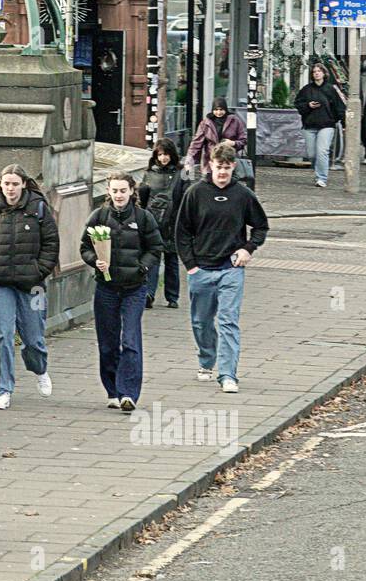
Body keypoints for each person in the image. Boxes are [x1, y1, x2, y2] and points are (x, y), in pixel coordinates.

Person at [174, 140, 270, 394]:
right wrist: (191, 265)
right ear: (210, 165)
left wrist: (247, 249)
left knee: (228, 321)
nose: (223, 172)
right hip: (201, 269)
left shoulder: (243, 195)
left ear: (233, 167)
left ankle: (228, 374)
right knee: (201, 322)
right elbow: (181, 231)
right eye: (219, 167)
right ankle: (207, 360)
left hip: (231, 268)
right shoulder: (195, 193)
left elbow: (261, 226)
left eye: (227, 167)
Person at [0, 163, 59, 409]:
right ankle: (3, 389)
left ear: (23, 184)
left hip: (32, 286)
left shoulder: (39, 209)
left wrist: (38, 270)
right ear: (0, 185)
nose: (10, 188)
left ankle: (40, 369)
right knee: (2, 334)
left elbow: (51, 244)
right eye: (6, 183)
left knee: (33, 338)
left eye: (14, 184)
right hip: (0, 283)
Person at [81, 173, 163, 411]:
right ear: (109, 192)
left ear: (131, 192)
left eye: (123, 191)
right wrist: (94, 260)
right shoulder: (99, 216)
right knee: (107, 343)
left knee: (130, 340)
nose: (119, 195)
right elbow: (84, 246)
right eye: (115, 191)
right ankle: (112, 390)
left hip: (134, 289)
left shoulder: (143, 218)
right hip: (106, 288)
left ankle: (129, 393)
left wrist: (142, 267)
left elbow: (155, 247)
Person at [137, 139, 186, 308]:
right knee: (153, 259)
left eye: (166, 154)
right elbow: (142, 200)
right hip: (154, 222)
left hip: (173, 222)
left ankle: (172, 297)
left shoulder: (181, 173)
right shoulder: (149, 173)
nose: (164, 158)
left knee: (172, 260)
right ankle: (149, 294)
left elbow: (186, 198)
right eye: (160, 154)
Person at [293, 62, 346, 188]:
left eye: (319, 71)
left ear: (323, 73)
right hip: (309, 125)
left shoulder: (330, 89)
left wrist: (340, 121)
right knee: (312, 154)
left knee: (322, 151)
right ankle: (319, 171)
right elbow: (298, 104)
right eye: (314, 71)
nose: (316, 73)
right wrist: (308, 106)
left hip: (326, 125)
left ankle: (321, 177)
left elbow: (339, 107)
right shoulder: (306, 89)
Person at [185, 97, 247, 177]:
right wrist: (189, 162)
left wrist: (233, 143)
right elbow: (196, 144)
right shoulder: (205, 123)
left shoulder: (235, 121)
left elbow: (244, 140)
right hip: (211, 163)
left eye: (221, 109)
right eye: (216, 109)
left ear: (225, 109)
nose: (218, 112)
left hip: (229, 162)